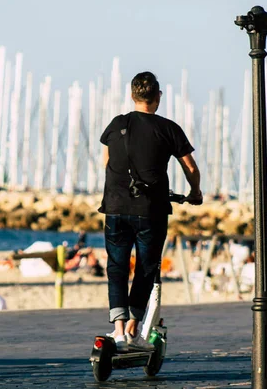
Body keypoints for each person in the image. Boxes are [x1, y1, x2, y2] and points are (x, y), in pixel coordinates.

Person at [99, 71, 202, 351]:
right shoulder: (168, 128)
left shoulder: (116, 125)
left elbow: (106, 161)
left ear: (133, 96)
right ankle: (134, 325)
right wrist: (195, 193)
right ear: (157, 96)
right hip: (151, 210)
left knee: (116, 267)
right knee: (146, 268)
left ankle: (118, 330)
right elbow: (190, 168)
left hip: (116, 207)